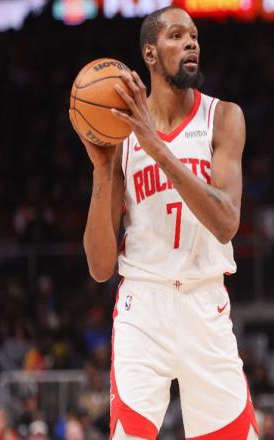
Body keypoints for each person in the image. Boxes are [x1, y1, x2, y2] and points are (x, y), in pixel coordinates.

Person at [69, 5, 258, 440]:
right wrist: (102, 170)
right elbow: (99, 267)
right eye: (176, 36)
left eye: (194, 36)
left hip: (204, 301)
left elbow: (226, 223)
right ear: (150, 54)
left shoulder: (223, 117)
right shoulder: (121, 136)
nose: (191, 43)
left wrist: (158, 149)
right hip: (144, 306)